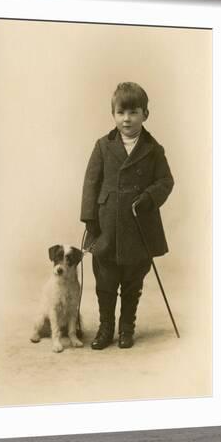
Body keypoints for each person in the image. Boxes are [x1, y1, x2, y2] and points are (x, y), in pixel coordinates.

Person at [80, 82, 174, 349]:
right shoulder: (102, 146)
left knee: (133, 281)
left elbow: (166, 181)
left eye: (134, 112)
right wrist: (90, 219)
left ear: (146, 114)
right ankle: (105, 328)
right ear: (113, 115)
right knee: (106, 281)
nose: (127, 119)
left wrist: (148, 198)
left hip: (139, 227)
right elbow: (90, 183)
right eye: (121, 113)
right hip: (107, 226)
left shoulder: (154, 149)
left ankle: (126, 328)